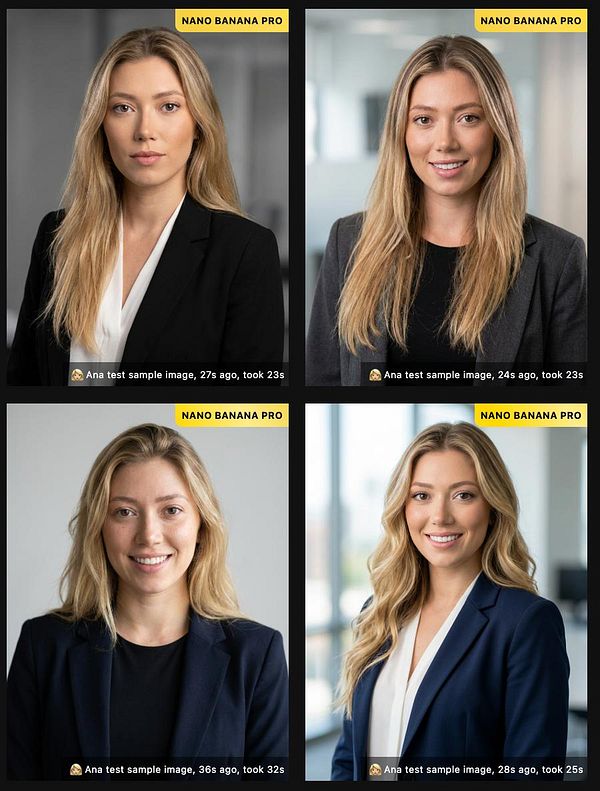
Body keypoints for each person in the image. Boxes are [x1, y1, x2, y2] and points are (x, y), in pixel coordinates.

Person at [7, 424, 288, 779]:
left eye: (171, 510)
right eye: (124, 511)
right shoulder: (43, 646)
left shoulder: (257, 655)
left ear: (201, 524)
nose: (149, 536)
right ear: (98, 526)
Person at [8, 28, 283, 385]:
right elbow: (23, 380)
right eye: (123, 108)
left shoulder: (245, 250)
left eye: (168, 106)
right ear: (101, 124)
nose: (144, 130)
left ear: (198, 123)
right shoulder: (56, 235)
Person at [306, 36, 587, 385]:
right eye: (424, 119)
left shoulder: (558, 258)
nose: (445, 142)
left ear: (498, 129)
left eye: (468, 118)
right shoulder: (347, 242)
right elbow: (322, 379)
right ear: (401, 132)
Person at [331, 422, 569, 780]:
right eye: (422, 495)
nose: (439, 517)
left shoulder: (526, 622)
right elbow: (349, 757)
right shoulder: (379, 612)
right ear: (403, 507)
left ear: (492, 507)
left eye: (463, 495)